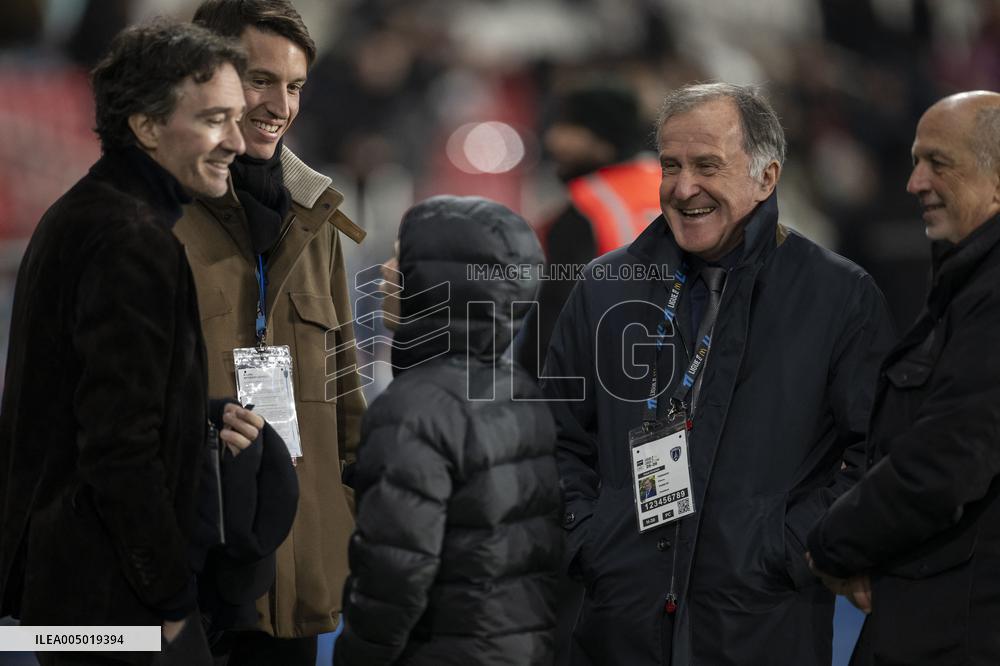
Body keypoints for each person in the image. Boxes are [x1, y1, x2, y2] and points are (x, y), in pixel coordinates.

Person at [542, 82, 895, 665]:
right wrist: (590, 537)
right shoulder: (604, 287)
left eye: (707, 166)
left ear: (766, 176)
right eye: (671, 166)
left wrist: (790, 548)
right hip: (619, 625)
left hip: (760, 626)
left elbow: (876, 451)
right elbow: (555, 434)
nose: (684, 188)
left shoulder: (838, 296)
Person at [0, 19, 287, 665]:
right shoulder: (130, 238)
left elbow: (87, 405)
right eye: (214, 119)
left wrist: (195, 416)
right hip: (115, 606)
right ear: (147, 126)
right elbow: (117, 448)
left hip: (77, 595)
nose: (236, 141)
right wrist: (172, 604)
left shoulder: (87, 212)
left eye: (237, 118)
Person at [174, 2, 366, 663]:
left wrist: (344, 511)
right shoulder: (151, 217)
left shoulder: (317, 218)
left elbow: (345, 396)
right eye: (260, 80)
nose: (280, 106)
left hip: (298, 582)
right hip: (191, 579)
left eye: (295, 86)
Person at [807, 91, 1000, 665]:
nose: (915, 183)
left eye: (938, 162)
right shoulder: (968, 279)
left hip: (961, 629)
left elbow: (945, 459)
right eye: (916, 161)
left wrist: (834, 542)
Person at [335, 196, 563, 666]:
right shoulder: (519, 390)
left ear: (438, 285)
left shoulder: (412, 410)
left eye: (402, 260)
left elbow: (394, 575)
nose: (385, 273)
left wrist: (356, 656)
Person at [518, 82, 662, 380]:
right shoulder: (669, 182)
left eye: (569, 126)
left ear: (603, 140)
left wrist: (527, 389)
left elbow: (555, 323)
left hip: (608, 378)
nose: (553, 139)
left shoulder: (587, 207)